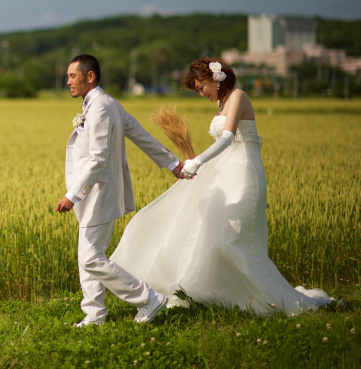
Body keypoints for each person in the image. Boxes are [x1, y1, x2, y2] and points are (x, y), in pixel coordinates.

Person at [110, 58, 331, 314]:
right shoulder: (221, 102)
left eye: (201, 87)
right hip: (224, 173)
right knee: (212, 236)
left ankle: (279, 300)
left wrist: (197, 161)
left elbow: (227, 137)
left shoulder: (238, 96)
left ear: (215, 78)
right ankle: (223, 296)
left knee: (233, 240)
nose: (201, 93)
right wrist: (202, 166)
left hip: (244, 171)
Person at [56, 54, 186, 326]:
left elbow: (97, 157)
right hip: (98, 194)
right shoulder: (109, 104)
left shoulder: (101, 107)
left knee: (91, 258)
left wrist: (72, 195)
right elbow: (140, 135)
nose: (67, 80)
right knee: (89, 256)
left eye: (72, 75)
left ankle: (148, 298)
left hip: (98, 194)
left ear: (89, 76)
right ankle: (95, 314)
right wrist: (172, 163)